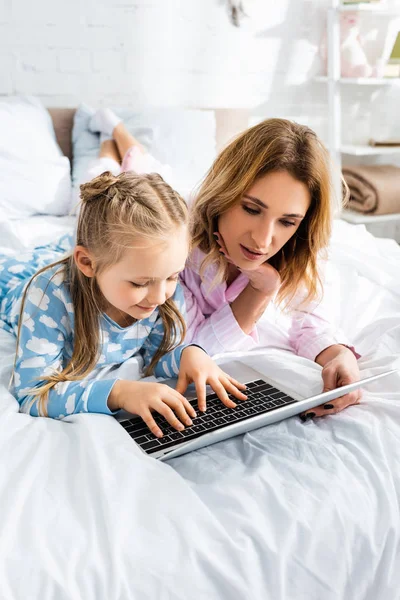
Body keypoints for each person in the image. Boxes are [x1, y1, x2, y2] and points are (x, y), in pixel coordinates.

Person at [85, 110, 361, 421]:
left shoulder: (299, 246)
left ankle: (117, 136)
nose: (262, 240)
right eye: (251, 209)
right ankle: (113, 135)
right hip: (144, 201)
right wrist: (259, 292)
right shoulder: (176, 237)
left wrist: (338, 354)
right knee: (103, 180)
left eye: (286, 221)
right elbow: (189, 350)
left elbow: (312, 318)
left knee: (145, 167)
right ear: (225, 191)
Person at [0, 170, 246, 439]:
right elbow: (34, 395)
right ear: (87, 263)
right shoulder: (47, 296)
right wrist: (119, 392)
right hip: (15, 281)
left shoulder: (161, 288)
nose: (159, 296)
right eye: (140, 284)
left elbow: (157, 354)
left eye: (173, 276)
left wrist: (189, 355)